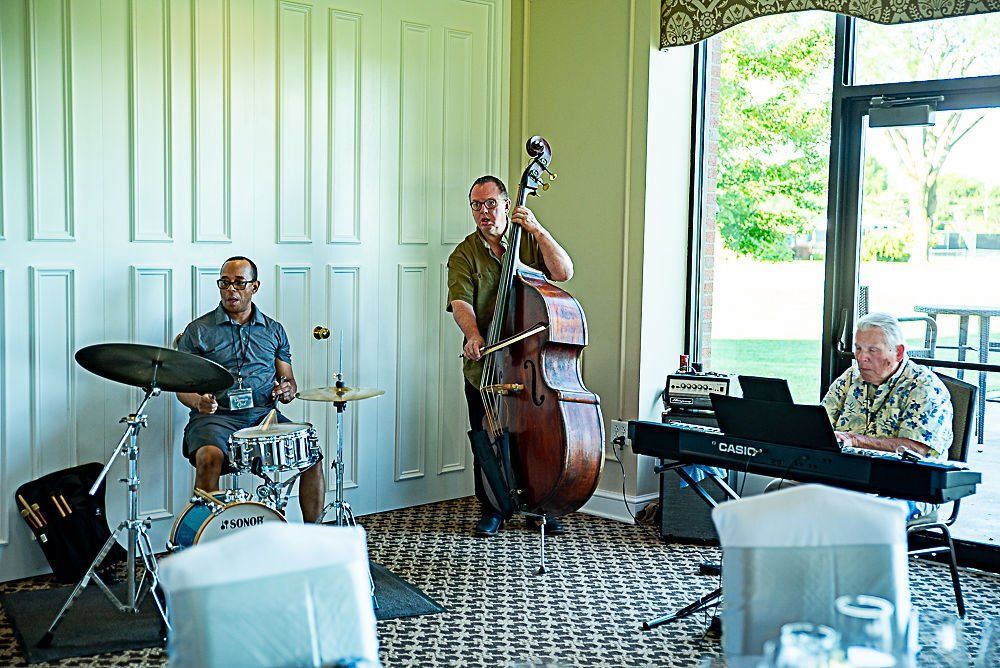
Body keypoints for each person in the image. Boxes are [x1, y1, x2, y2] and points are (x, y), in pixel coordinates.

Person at [446, 175, 575, 537]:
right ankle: (493, 507)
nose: (483, 212)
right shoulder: (464, 254)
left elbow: (563, 272)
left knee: (534, 436)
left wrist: (538, 230)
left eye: (489, 204)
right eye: (476, 205)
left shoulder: (528, 244)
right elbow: (461, 304)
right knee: (487, 436)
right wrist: (472, 335)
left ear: (506, 204)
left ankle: (539, 504)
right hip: (487, 363)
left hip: (532, 362)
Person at [176, 256, 325, 523]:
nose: (231, 290)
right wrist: (199, 403)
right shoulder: (198, 331)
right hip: (216, 417)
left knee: (311, 456)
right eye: (225, 283)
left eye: (239, 283)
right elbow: (181, 388)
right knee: (208, 457)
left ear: (254, 286)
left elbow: (288, 380)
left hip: (264, 417)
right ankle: (207, 541)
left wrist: (287, 391)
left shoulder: (274, 330)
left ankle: (313, 536)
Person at [822, 311, 953, 518]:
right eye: (858, 348)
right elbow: (821, 426)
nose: (861, 357)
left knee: (861, 514)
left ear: (898, 352)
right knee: (781, 490)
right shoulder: (850, 378)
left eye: (872, 350)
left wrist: (855, 440)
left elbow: (917, 448)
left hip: (909, 487)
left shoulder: (925, 388)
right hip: (849, 478)